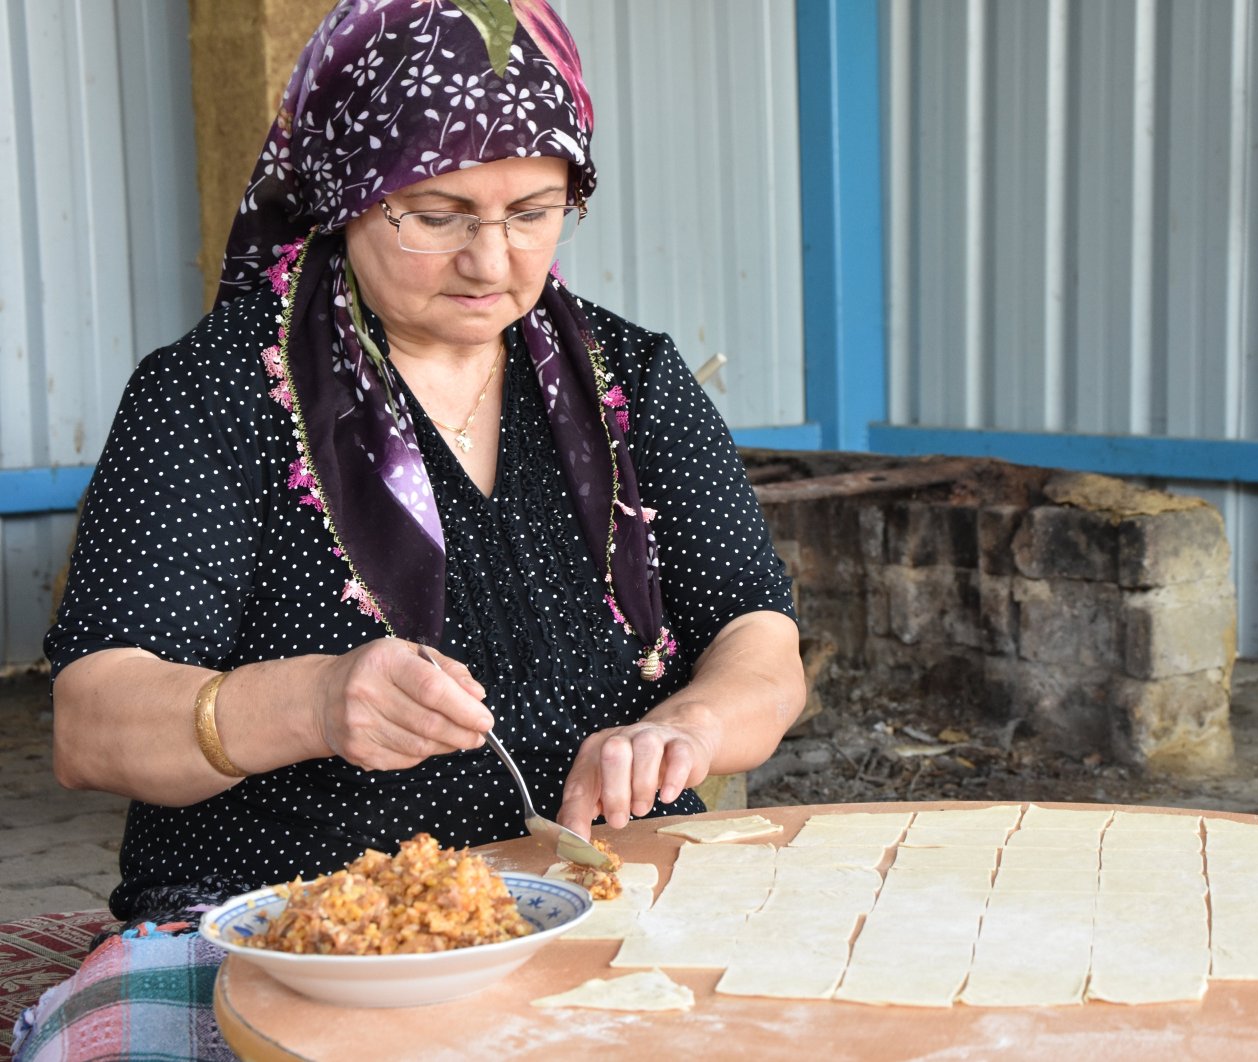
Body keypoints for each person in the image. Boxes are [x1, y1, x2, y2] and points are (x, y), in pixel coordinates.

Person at [44, 0, 804, 929]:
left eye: (534, 212)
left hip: (605, 895)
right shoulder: (214, 392)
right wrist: (316, 702)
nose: (491, 261)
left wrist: (689, 727)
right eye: (439, 216)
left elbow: (759, 642)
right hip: (295, 921)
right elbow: (91, 724)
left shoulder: (627, 378)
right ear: (348, 192)